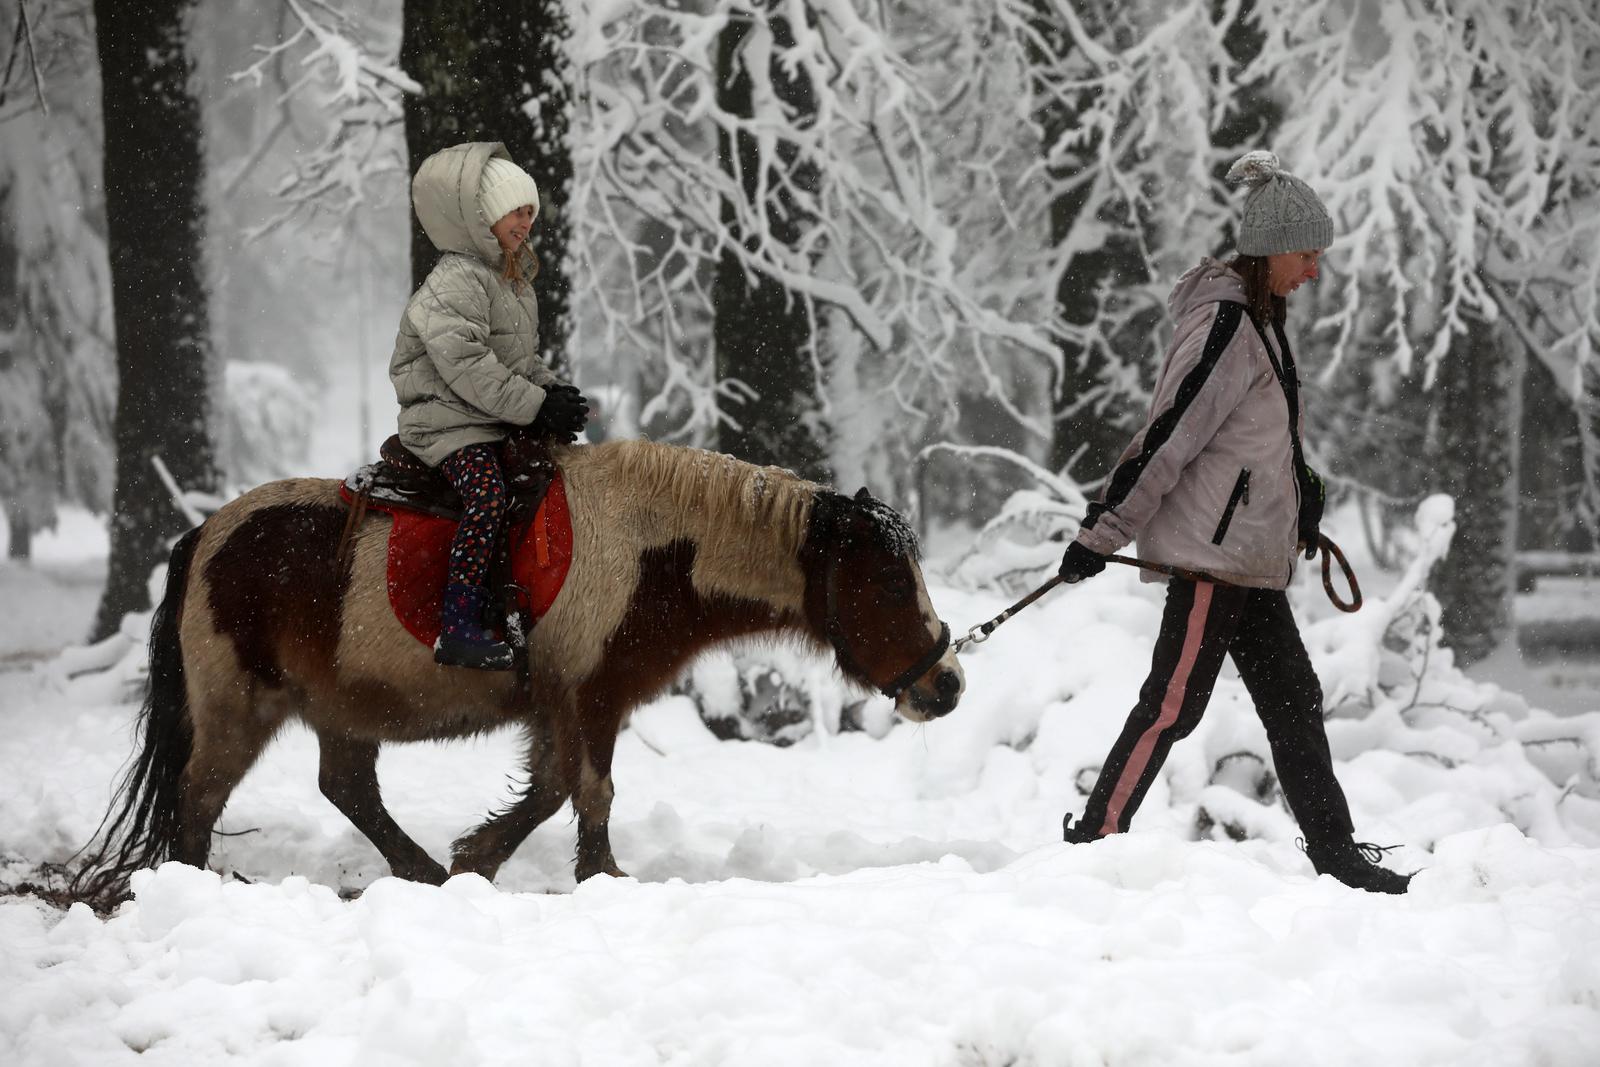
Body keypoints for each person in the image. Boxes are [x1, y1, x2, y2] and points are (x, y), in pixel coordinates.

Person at [1056, 150, 1411, 894]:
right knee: (1173, 706)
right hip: (1211, 559)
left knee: (1295, 704)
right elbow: (1170, 434)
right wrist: (1103, 531)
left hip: (1248, 560)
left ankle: (1338, 856)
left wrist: (1301, 495)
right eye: (1306, 254)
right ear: (1271, 249)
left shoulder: (1263, 324)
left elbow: (1254, 443)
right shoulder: (1225, 326)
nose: (1314, 269)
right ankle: (1095, 839)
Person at [390, 142, 588, 671]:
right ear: (481, 216)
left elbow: (518, 361)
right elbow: (469, 365)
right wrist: (536, 406)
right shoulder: (456, 279)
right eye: (514, 211)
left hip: (487, 417)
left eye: (530, 211)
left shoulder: (509, 279)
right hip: (447, 422)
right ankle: (457, 623)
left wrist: (555, 394)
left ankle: (517, 601)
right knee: (488, 494)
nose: (526, 222)